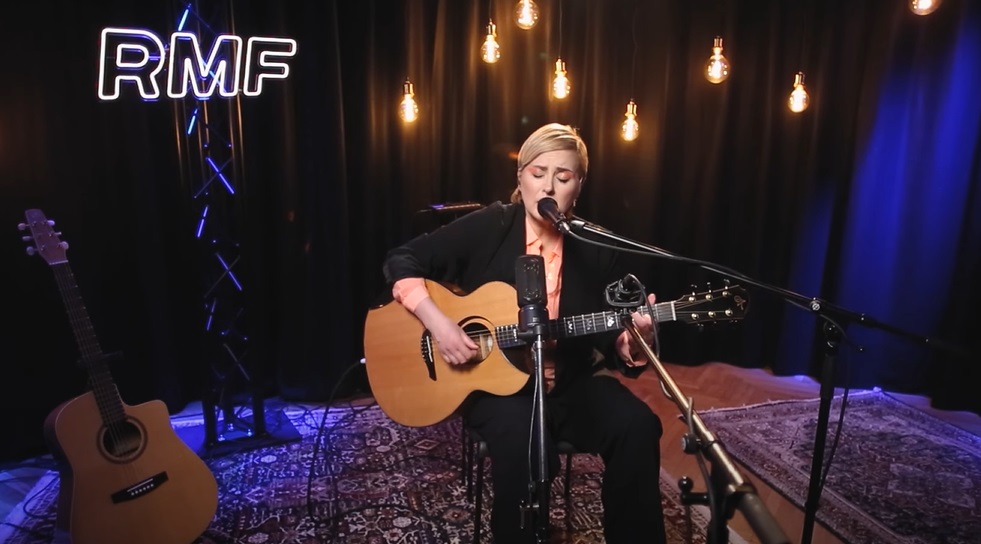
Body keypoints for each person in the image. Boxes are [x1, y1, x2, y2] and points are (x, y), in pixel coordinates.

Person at [382, 123, 667, 543]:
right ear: (521, 177)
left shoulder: (597, 246)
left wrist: (634, 340)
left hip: (569, 382)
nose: (548, 187)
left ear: (578, 187)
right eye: (538, 173)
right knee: (526, 450)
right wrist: (438, 323)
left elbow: (611, 338)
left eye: (563, 177)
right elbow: (401, 260)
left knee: (638, 426)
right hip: (498, 388)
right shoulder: (491, 225)